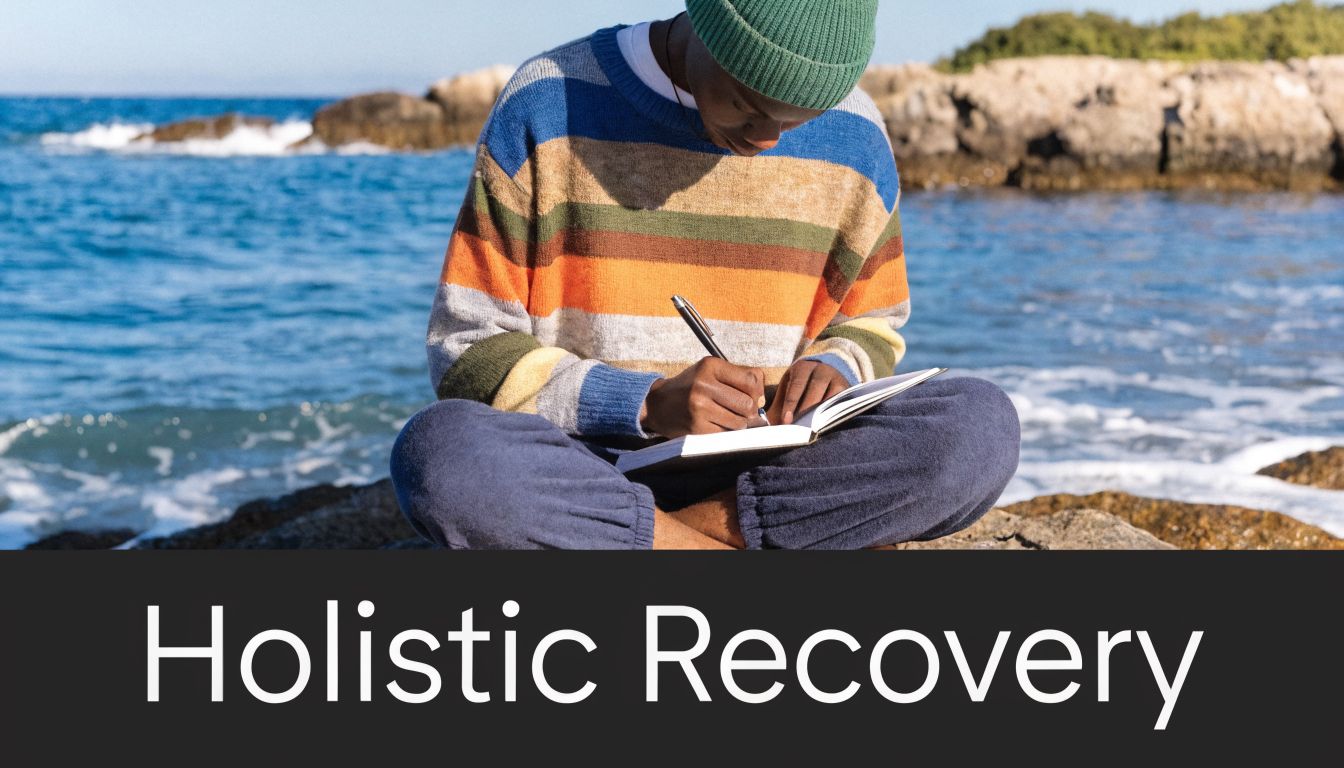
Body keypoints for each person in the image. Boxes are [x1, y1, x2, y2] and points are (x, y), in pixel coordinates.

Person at [389, 0, 1020, 549]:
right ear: (705, 23)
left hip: (775, 472)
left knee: (979, 427)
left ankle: (662, 543)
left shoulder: (855, 133)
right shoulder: (550, 100)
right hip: (584, 462)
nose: (769, 138)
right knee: (443, 457)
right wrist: (643, 404)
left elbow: (872, 322)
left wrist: (838, 366)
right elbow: (468, 350)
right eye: (748, 105)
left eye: (796, 119)